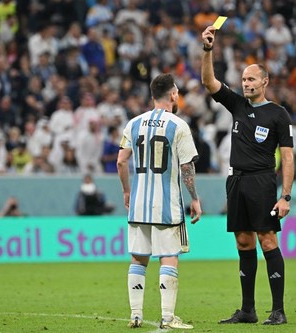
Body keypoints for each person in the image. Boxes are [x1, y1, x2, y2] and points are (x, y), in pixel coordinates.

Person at [201, 26, 295, 325]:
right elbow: (208, 81)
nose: (246, 83)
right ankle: (248, 310)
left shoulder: (278, 114)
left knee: (267, 240)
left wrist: (286, 195)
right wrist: (207, 50)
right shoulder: (238, 105)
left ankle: (278, 310)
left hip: (262, 181)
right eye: (243, 79)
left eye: (252, 79)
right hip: (236, 181)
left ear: (265, 81)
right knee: (243, 242)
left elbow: (289, 157)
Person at [117, 73, 202, 330]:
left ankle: (135, 314)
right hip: (165, 206)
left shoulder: (133, 124)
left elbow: (121, 161)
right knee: (168, 258)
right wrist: (195, 199)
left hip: (139, 204)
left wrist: (126, 191)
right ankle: (166, 317)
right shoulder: (178, 125)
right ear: (173, 94)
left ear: (153, 95)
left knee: (138, 259)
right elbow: (186, 166)